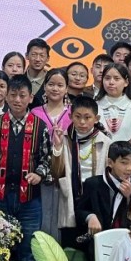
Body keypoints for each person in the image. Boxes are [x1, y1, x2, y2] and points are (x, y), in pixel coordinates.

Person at [0, 75, 51, 261]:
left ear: (30, 98)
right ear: (6, 97)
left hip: (30, 200)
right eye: (13, 95)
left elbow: (47, 159)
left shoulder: (40, 126)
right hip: (0, 197)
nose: (17, 100)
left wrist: (39, 173)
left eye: (22, 95)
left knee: (29, 252)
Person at [50, 95, 109, 246]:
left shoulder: (105, 141)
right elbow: (56, 174)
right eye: (78, 116)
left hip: (95, 200)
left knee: (95, 247)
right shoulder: (64, 139)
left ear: (96, 118)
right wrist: (57, 148)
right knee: (70, 247)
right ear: (70, 116)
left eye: (87, 117)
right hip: (71, 197)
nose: (82, 122)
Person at [31, 69, 71, 240]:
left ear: (67, 89)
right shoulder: (34, 112)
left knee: (62, 215)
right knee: (42, 214)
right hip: (39, 171)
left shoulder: (72, 113)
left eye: (60, 85)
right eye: (51, 84)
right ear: (44, 87)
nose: (55, 89)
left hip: (65, 170)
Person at [77, 141, 131, 231]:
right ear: (110, 162)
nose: (129, 168)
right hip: (100, 238)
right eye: (124, 162)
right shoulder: (93, 183)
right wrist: (90, 217)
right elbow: (80, 211)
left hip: (127, 238)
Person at [96, 63, 131, 137]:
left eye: (116, 78)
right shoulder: (95, 106)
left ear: (126, 82)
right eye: (107, 78)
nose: (111, 82)